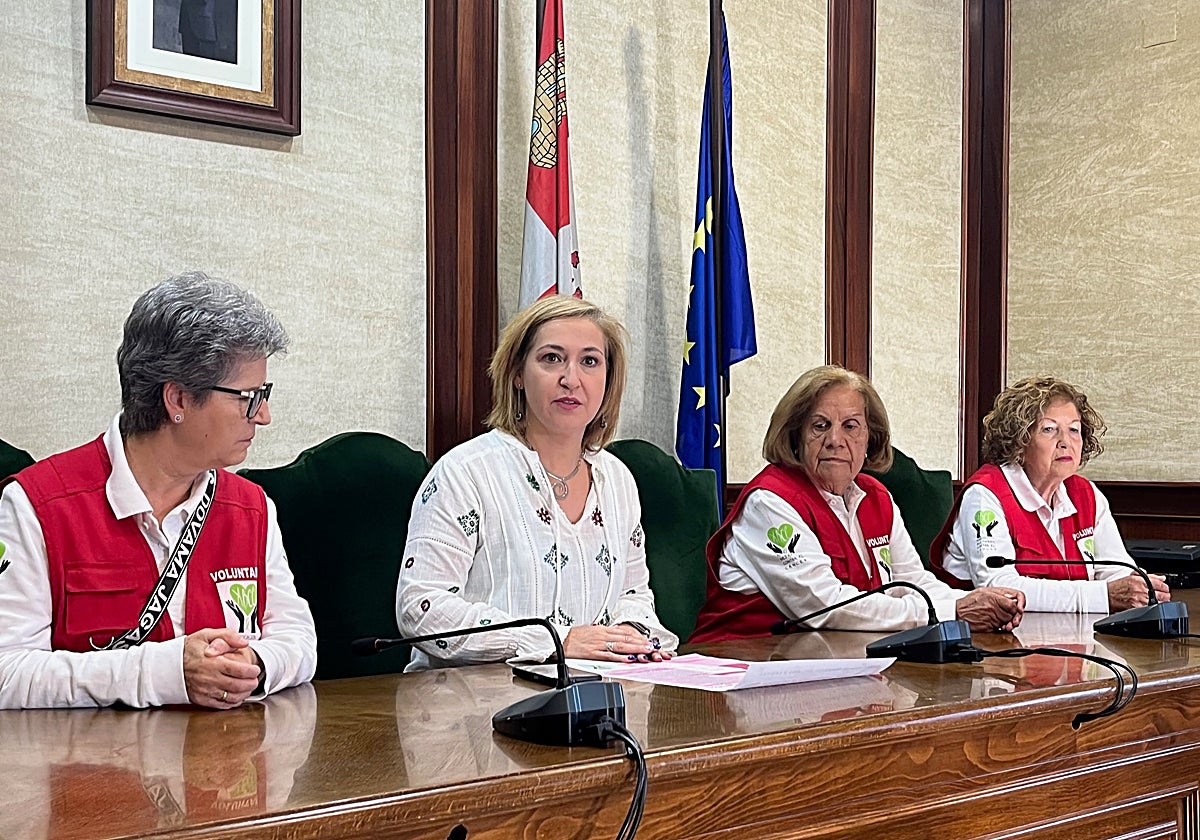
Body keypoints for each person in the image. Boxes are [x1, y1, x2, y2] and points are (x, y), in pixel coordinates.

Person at [0, 272, 317, 709]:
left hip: (227, 750)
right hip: (88, 754)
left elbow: (298, 638)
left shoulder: (252, 507)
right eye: (248, 396)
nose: (263, 416)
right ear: (178, 400)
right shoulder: (36, 506)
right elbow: (8, 672)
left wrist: (254, 664)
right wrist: (166, 673)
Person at [397, 296, 677, 669]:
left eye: (589, 361)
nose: (571, 379)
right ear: (517, 373)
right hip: (471, 695)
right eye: (551, 358)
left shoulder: (617, 479)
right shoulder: (465, 473)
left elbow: (634, 593)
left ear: (608, 379)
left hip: (592, 690)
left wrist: (626, 636)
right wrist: (556, 641)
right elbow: (421, 608)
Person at [690, 365, 1025, 643]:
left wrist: (978, 601)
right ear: (795, 436)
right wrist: (953, 612)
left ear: (869, 438)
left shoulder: (875, 497)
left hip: (834, 665)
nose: (835, 440)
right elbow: (825, 607)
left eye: (850, 426)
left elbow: (913, 582)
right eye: (820, 426)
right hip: (743, 668)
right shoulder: (769, 502)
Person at [931, 375, 1168, 612]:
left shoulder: (1086, 494)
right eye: (1049, 429)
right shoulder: (985, 495)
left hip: (1074, 628)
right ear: (1019, 441)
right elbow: (1000, 588)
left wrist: (1138, 588)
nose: (1065, 441)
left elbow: (1116, 570)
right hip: (992, 632)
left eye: (1074, 430)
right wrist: (1103, 596)